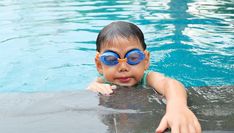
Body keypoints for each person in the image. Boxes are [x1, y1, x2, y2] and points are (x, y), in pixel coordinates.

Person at [88, 21, 201, 133]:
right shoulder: (103, 80)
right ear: (99, 65)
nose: (123, 68)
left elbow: (170, 83)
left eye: (133, 58)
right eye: (111, 59)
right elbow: (91, 88)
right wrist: (94, 87)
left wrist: (177, 107)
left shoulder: (148, 78)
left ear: (145, 60)